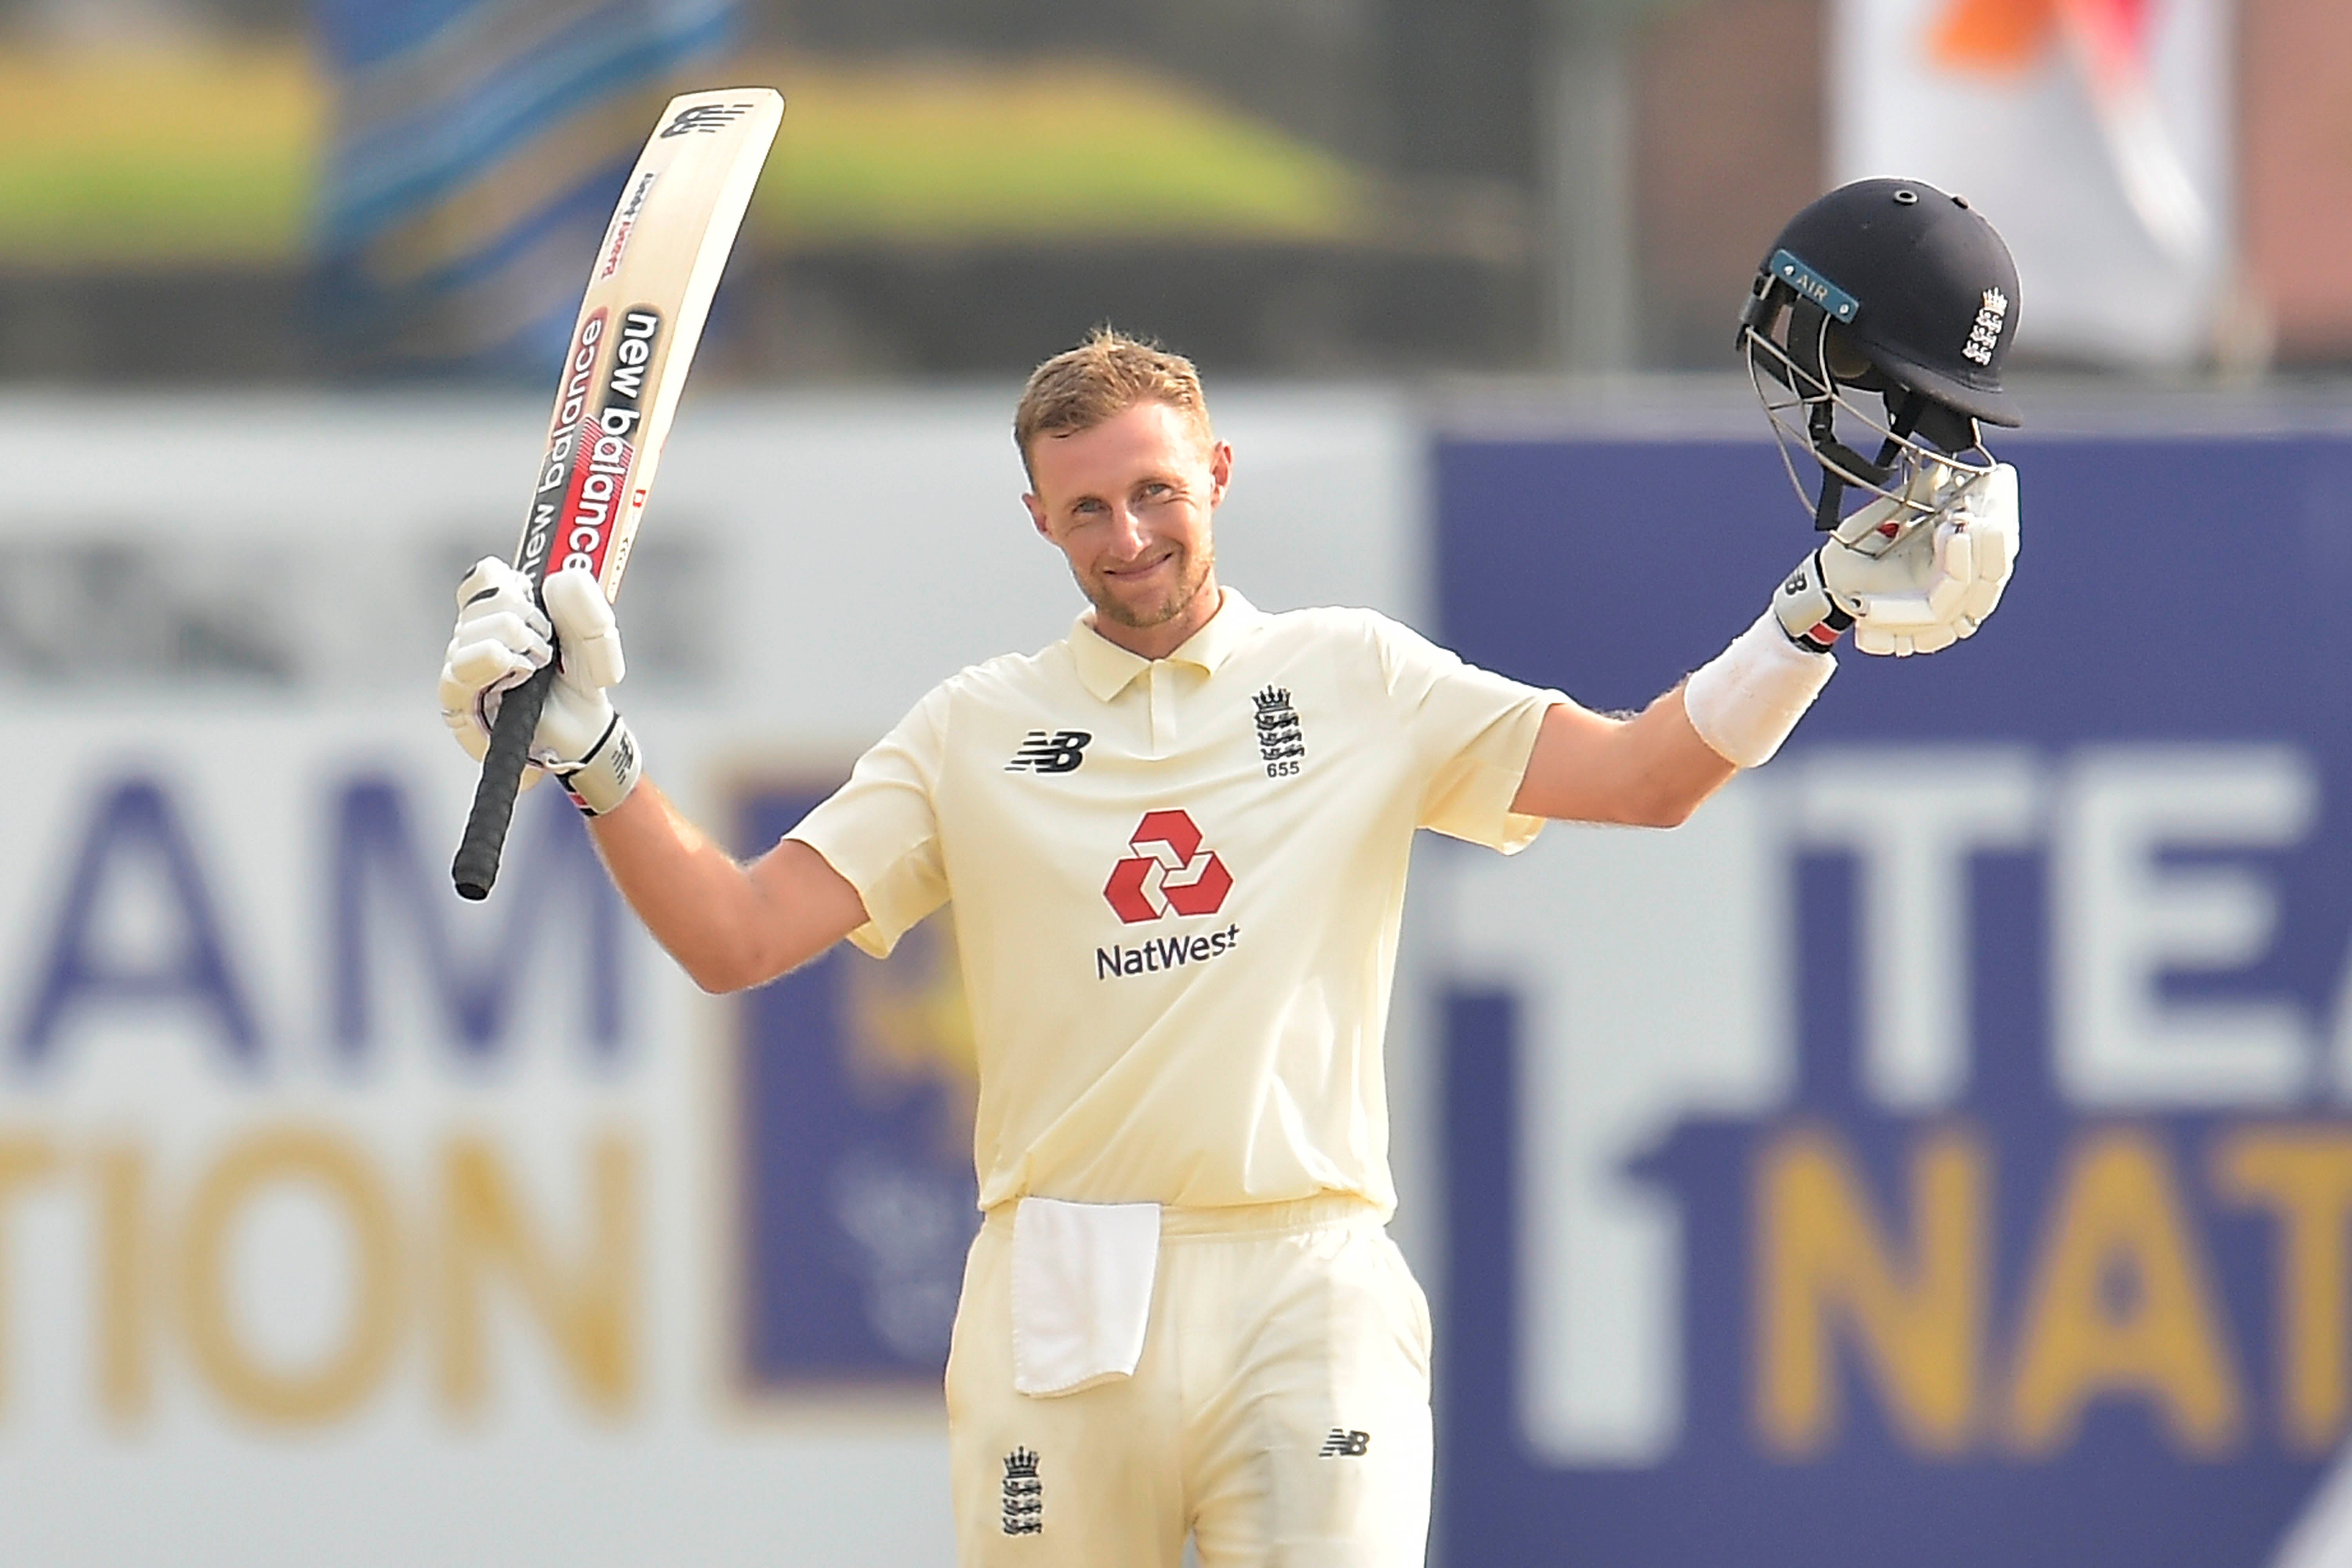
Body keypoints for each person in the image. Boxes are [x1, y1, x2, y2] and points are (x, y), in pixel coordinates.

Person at [438, 178, 2024, 1567]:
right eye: (1086, 510)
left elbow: (1646, 775)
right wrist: (595, 755)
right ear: (1038, 519)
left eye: (1156, 493)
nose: (1128, 538)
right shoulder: (975, 728)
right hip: (1060, 1295)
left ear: (1219, 474)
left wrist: (1808, 617)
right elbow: (734, 932)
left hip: (1304, 1279)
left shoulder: (1354, 678)